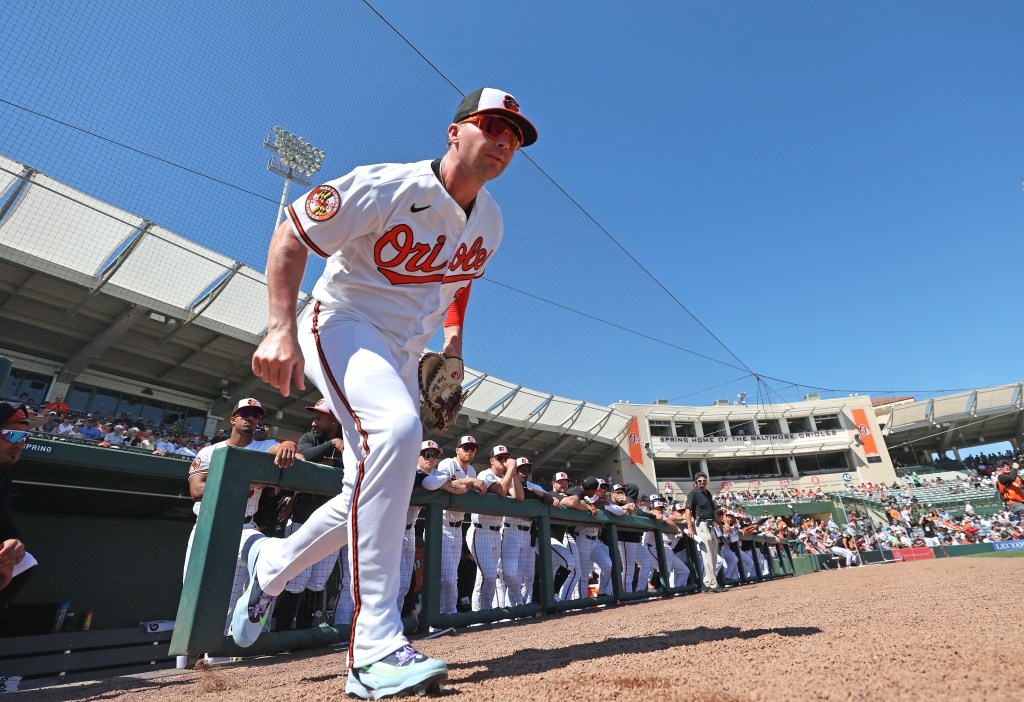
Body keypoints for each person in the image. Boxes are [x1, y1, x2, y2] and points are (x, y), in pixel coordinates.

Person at [237, 88, 537, 699]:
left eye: (516, 135)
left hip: (404, 351)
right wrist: (277, 329)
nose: (504, 140)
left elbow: (460, 275)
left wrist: (453, 341)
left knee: (369, 490)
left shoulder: (493, 222)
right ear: (455, 132)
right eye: (492, 125)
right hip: (343, 323)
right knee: (398, 433)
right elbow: (292, 236)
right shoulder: (384, 185)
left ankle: (270, 567)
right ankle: (373, 646)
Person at [182, 399, 298, 637]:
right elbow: (196, 491)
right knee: (194, 596)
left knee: (258, 570)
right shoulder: (209, 451)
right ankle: (192, 662)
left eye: (255, 415)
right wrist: (240, 478)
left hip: (244, 526)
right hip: (207, 527)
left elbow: (278, 449)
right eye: (245, 413)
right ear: (233, 419)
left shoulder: (262, 445)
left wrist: (288, 443)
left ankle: (246, 638)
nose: (251, 418)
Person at [432, 435, 487, 619]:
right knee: (447, 578)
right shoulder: (447, 463)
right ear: (457, 450)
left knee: (451, 578)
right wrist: (471, 482)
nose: (469, 451)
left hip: (457, 528)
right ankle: (441, 618)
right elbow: (445, 484)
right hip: (440, 525)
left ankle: (448, 616)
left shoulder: (470, 469)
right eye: (465, 447)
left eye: (472, 448)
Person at [468, 445, 523, 611]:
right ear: (492, 460)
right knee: (489, 577)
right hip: (480, 530)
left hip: (495, 533)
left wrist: (513, 473)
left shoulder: (507, 477)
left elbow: (520, 497)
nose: (504, 461)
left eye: (506, 458)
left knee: (483, 578)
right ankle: (484, 614)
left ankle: (480, 615)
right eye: (500, 458)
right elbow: (500, 490)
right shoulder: (485, 474)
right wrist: (511, 468)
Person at [0, 402, 39, 632]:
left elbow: (6, 526)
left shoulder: (2, 477)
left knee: (24, 561)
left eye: (24, 439)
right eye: (12, 435)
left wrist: (13, 547)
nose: (19, 445)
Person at [684, 474, 722, 593]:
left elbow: (712, 511)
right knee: (707, 554)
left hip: (711, 525)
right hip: (701, 524)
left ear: (706, 481)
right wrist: (690, 528)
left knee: (714, 555)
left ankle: (707, 583)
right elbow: (688, 511)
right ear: (696, 482)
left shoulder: (708, 493)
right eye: (699, 481)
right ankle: (712, 584)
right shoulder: (693, 493)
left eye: (704, 480)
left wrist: (720, 523)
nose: (702, 482)